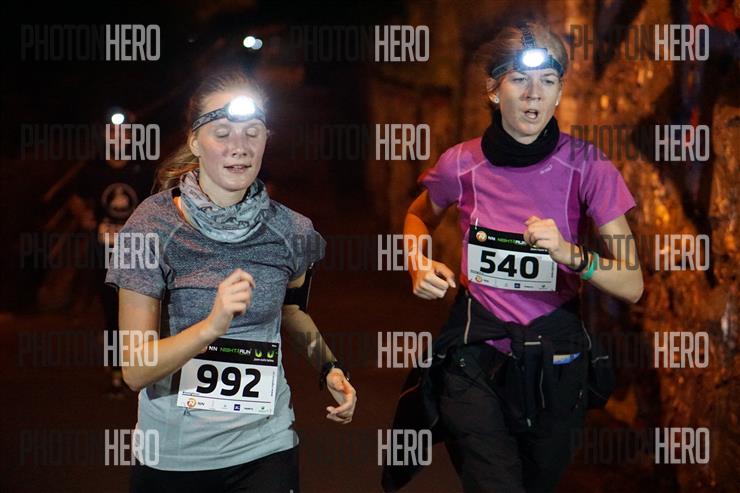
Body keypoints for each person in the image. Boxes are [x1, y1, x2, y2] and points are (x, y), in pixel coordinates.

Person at [385, 20, 643, 493]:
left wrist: (570, 254)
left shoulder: (589, 166)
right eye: (519, 79)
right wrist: (417, 262)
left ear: (560, 93)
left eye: (548, 81)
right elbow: (418, 216)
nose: (533, 94)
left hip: (555, 360)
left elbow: (632, 283)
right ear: (492, 90)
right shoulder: (461, 163)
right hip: (474, 355)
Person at [105, 67, 357, 492]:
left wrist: (329, 367)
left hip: (266, 448)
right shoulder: (150, 226)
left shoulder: (292, 231)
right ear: (194, 142)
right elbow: (134, 370)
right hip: (175, 457)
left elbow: (291, 311)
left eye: (252, 133)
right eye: (222, 133)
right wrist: (212, 326)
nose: (239, 147)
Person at [68, 115, 154, 395]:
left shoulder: (142, 170)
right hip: (104, 254)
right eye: (112, 132)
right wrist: (84, 215)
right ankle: (116, 371)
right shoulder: (93, 169)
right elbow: (76, 198)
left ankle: (143, 368)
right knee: (111, 312)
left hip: (139, 254)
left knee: (142, 310)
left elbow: (161, 199)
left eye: (124, 132)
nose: (118, 138)